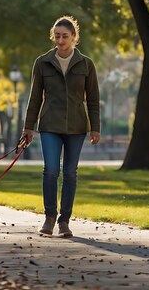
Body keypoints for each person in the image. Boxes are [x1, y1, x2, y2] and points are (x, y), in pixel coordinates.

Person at [20, 15, 100, 237]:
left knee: (70, 173)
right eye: (57, 36)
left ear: (74, 37)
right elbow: (34, 97)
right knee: (51, 171)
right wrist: (29, 127)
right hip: (50, 125)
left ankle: (64, 222)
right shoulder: (42, 62)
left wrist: (95, 127)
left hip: (76, 126)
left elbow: (93, 98)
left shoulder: (86, 64)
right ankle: (49, 218)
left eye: (65, 36)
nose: (60, 40)